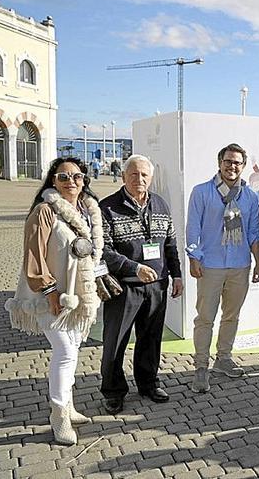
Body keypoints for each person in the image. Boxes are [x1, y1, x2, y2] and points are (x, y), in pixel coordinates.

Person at [5, 158, 103, 445]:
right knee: (64, 352)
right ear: (52, 180)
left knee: (72, 350)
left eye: (77, 176)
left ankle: (68, 405)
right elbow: (33, 258)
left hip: (77, 296)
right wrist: (49, 292)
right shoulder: (44, 211)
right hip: (51, 297)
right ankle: (58, 415)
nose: (71, 181)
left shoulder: (86, 210)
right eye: (63, 177)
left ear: (84, 180)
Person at [99, 155, 183, 415]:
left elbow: (170, 244)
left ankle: (148, 383)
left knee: (151, 339)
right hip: (124, 287)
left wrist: (177, 275)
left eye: (145, 175)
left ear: (151, 177)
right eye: (134, 174)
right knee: (116, 342)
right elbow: (103, 249)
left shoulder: (160, 204)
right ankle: (113, 391)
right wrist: (133, 267)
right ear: (123, 176)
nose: (140, 179)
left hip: (156, 285)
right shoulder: (107, 208)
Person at [186, 143, 259, 393]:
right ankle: (200, 367)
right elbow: (193, 227)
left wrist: (258, 262)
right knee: (205, 318)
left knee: (232, 316)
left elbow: (253, 231)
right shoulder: (202, 192)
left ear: (243, 166)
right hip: (211, 266)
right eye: (228, 161)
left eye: (237, 162)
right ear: (220, 163)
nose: (232, 166)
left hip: (239, 265)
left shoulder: (250, 196)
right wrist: (194, 257)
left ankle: (223, 358)